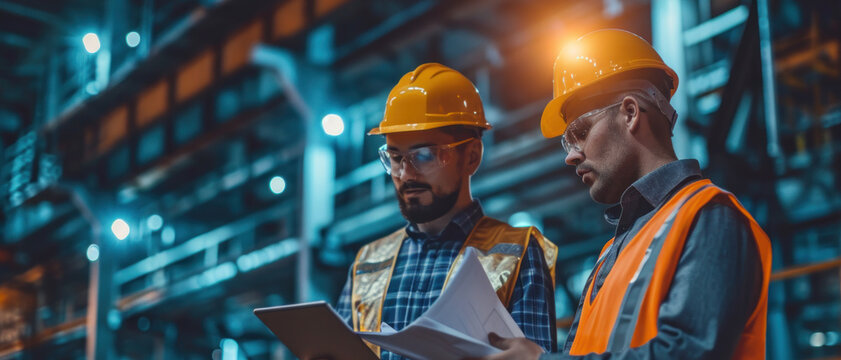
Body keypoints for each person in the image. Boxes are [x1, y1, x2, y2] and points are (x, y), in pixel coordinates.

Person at [475, 29, 772, 360]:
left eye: (580, 133)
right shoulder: (611, 253)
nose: (570, 156)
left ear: (630, 113)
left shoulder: (709, 217)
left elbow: (688, 353)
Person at [335, 63, 559, 360]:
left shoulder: (518, 253)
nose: (405, 173)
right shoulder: (367, 263)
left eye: (423, 155)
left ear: (472, 157)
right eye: (395, 156)